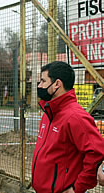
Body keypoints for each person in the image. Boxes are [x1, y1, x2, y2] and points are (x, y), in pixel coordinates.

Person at [31, 61, 104, 193]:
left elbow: (96, 153)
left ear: (57, 84)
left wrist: (77, 188)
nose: (39, 86)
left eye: (43, 81)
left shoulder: (76, 117)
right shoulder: (48, 113)